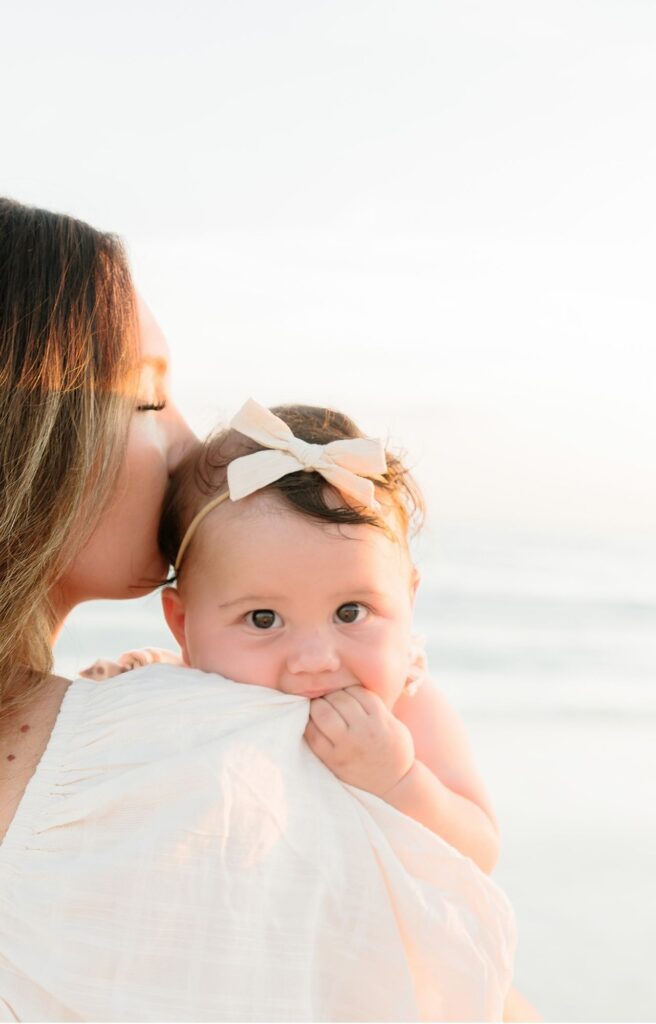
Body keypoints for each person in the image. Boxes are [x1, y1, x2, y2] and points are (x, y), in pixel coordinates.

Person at [0, 198, 525, 1021]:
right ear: (29, 439)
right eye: (146, 400)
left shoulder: (158, 729)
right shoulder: (191, 752)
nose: (185, 441)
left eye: (351, 608)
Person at [146, 397, 502, 874]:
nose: (314, 659)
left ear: (408, 602)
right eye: (264, 619)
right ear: (182, 626)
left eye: (350, 612)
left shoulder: (404, 707)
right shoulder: (183, 696)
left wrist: (396, 779)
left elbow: (479, 853)